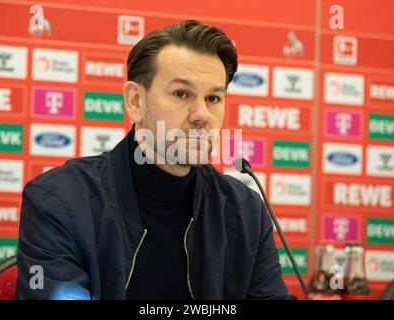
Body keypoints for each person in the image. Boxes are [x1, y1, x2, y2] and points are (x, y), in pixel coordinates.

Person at [16, 20, 294, 300]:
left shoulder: (245, 212)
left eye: (213, 98)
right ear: (136, 101)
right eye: (181, 94)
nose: (202, 114)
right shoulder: (58, 202)